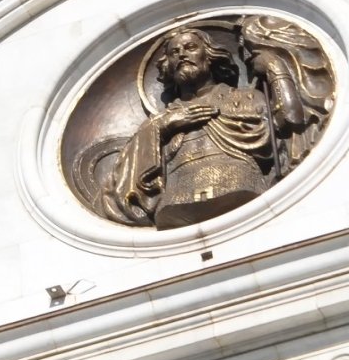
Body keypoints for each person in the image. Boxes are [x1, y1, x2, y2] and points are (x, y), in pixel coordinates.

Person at [106, 26, 275, 229]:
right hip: (176, 202)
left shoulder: (246, 98)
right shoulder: (159, 120)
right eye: (174, 52)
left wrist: (276, 71)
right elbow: (124, 176)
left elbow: (282, 127)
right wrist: (162, 126)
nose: (182, 55)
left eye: (190, 47)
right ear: (168, 64)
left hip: (240, 185)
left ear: (210, 54)